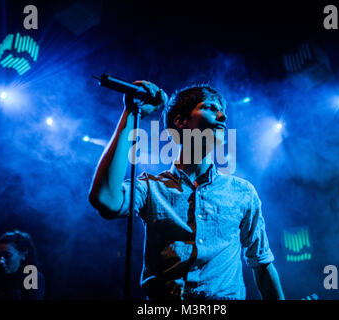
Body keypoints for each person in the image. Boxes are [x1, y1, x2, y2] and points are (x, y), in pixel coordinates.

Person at [89, 81, 284, 300]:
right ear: (181, 122)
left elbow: (262, 264)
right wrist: (132, 116)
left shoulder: (242, 191)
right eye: (210, 107)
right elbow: (105, 199)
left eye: (222, 111)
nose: (222, 117)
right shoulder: (152, 187)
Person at [0, 230, 45, 300]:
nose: (1, 261)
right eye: (0, 255)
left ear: (23, 254)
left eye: (7, 255)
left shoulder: (32, 277)